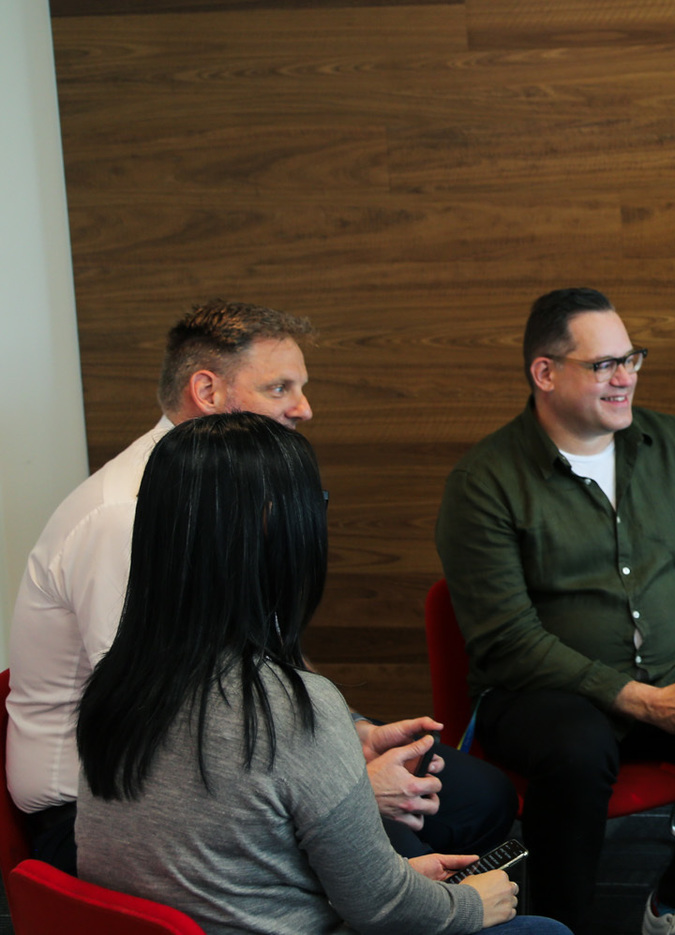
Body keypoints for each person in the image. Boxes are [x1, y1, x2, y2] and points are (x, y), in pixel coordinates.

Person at [7, 299, 514, 875]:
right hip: (110, 808)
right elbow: (164, 722)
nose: (304, 408)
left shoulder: (222, 491)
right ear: (208, 392)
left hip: (218, 760)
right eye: (280, 388)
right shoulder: (127, 515)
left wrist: (349, 735)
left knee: (479, 796)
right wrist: (332, 791)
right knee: (410, 867)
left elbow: (255, 667)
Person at [75, 412, 563, 935]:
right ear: (272, 526)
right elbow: (382, 911)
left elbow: (229, 863)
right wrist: (470, 904)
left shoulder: (116, 682)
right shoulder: (288, 707)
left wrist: (396, 879)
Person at [437, 287, 675, 935]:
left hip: (673, 675)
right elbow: (509, 639)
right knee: (578, 745)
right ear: (545, 372)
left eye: (632, 359)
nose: (626, 378)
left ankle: (673, 902)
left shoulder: (671, 443)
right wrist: (637, 699)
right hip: (541, 696)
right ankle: (558, 924)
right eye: (604, 365)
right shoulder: (485, 479)